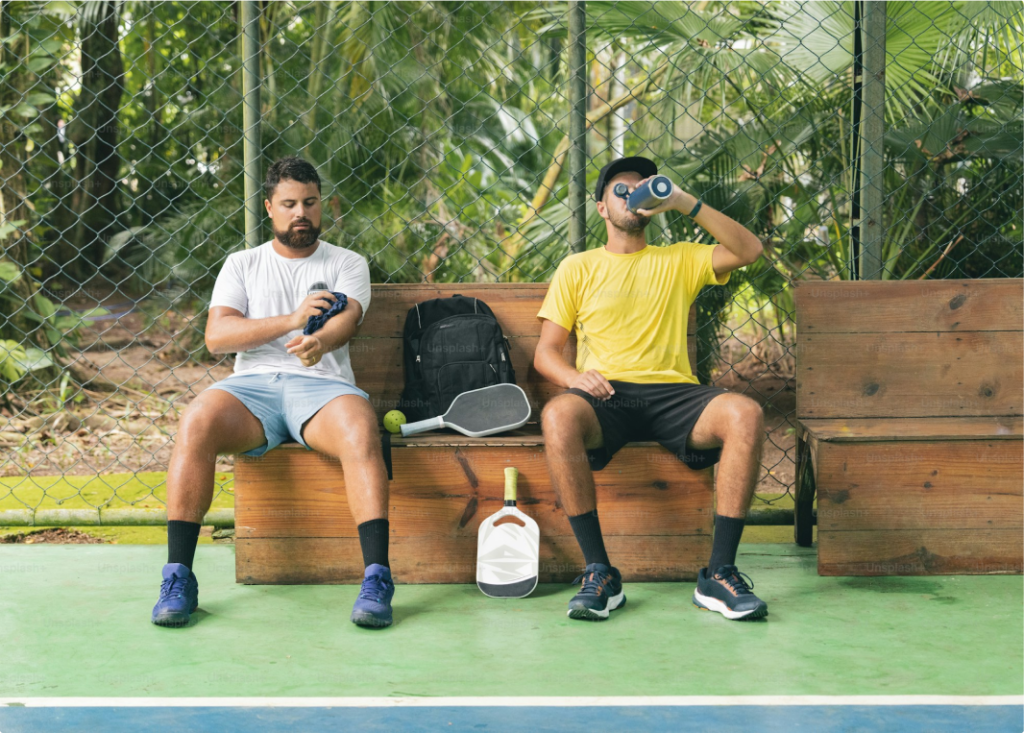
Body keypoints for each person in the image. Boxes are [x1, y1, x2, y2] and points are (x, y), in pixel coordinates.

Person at [151, 157, 395, 629]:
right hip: (252, 391)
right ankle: (178, 577)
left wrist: (318, 341)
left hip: (321, 389)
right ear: (269, 208)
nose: (300, 212)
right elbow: (217, 337)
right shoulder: (242, 264)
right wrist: (292, 320)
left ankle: (377, 577)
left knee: (360, 428)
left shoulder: (347, 262)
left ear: (322, 205)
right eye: (289, 204)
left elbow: (345, 322)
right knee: (196, 420)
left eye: (309, 202)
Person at [534, 156, 768, 622]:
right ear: (602, 208)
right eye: (621, 190)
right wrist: (574, 378)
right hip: (606, 397)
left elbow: (748, 250)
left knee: (746, 413)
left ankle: (719, 574)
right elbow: (545, 353)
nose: (632, 195)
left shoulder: (679, 257)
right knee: (557, 415)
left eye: (641, 188)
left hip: (675, 394)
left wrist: (682, 201)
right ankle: (599, 572)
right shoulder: (577, 268)